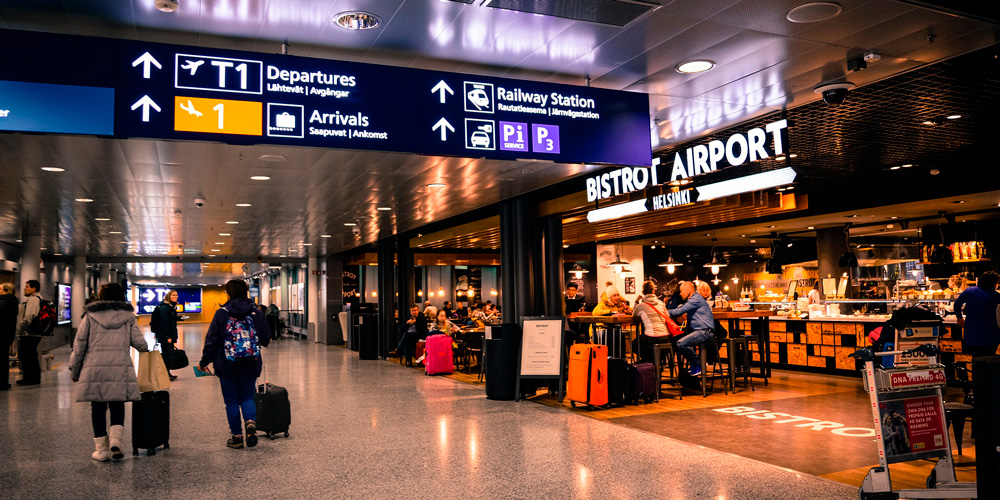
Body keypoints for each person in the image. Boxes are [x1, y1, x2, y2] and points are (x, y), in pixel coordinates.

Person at [69, 282, 149, 462]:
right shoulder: (128, 317)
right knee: (117, 405)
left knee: (97, 408)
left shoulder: (90, 316)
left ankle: (101, 451)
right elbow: (141, 344)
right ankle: (115, 442)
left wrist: (75, 371)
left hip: (95, 368)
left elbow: (79, 346)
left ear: (102, 296)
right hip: (120, 368)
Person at [197, 280, 272, 450]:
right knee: (247, 397)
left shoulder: (222, 313)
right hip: (251, 363)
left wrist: (203, 362)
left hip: (227, 364)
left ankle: (237, 437)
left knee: (231, 402)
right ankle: (250, 422)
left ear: (228, 293)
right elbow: (266, 339)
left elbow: (211, 341)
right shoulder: (256, 312)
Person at [667, 281, 715, 377]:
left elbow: (680, 311)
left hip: (705, 331)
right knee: (674, 340)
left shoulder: (695, 299)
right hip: (698, 331)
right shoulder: (693, 299)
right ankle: (683, 370)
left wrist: (665, 312)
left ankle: (697, 364)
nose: (680, 294)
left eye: (681, 291)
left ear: (688, 291)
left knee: (681, 343)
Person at [954, 271, 1000, 357]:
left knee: (976, 358)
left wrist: (959, 317)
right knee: (989, 359)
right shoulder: (996, 296)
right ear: (994, 284)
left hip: (971, 334)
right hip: (990, 335)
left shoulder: (969, 291)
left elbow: (957, 304)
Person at [632, 281, 671, 362]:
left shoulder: (640, 306)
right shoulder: (661, 303)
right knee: (645, 343)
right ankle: (656, 361)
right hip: (665, 335)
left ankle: (648, 361)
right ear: (653, 291)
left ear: (643, 292)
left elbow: (634, 315)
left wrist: (636, 302)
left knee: (635, 344)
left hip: (651, 336)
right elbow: (667, 316)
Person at [15, 279, 43, 386]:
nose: (24, 289)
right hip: (32, 332)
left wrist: (21, 326)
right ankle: (31, 377)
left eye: (27, 287)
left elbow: (30, 316)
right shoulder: (38, 298)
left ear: (33, 289)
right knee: (30, 354)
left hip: (29, 332)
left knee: (28, 355)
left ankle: (31, 378)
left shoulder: (34, 299)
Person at [151, 289, 180, 380]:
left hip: (168, 334)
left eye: (176, 295)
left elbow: (170, 319)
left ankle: (167, 373)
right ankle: (166, 374)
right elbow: (164, 323)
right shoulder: (165, 307)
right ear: (169, 296)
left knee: (168, 354)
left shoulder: (170, 307)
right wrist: (168, 336)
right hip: (166, 335)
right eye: (173, 295)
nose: (175, 297)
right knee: (166, 355)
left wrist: (179, 318)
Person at [0, 283, 18, 390]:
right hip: (7, 334)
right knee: (3, 359)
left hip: (1, 334)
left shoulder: (3, 302)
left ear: (6, 291)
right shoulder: (13, 301)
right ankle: (4, 382)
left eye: (0, 289)